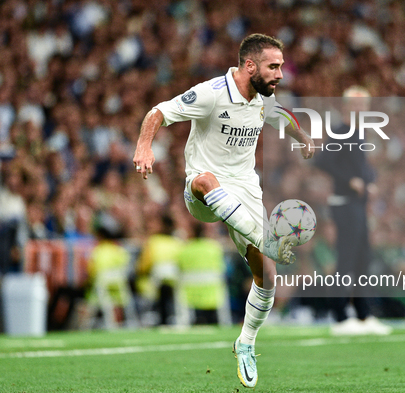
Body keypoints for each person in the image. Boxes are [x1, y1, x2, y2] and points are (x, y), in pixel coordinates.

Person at [133, 34, 314, 388]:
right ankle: (265, 237)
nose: (279, 74)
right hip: (203, 192)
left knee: (268, 277)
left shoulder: (264, 98)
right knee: (204, 179)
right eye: (273, 66)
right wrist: (144, 147)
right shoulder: (211, 93)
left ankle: (245, 342)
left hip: (245, 188)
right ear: (250, 66)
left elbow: (282, 118)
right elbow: (159, 112)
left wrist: (303, 138)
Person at [314, 86, 392, 336]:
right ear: (347, 107)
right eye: (356, 106)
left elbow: (360, 166)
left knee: (362, 260)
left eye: (363, 106)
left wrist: (369, 181)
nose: (360, 110)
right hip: (343, 203)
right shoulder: (341, 130)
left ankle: (363, 315)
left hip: (357, 205)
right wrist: (351, 180)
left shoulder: (359, 133)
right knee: (346, 260)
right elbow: (322, 160)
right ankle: (339, 317)